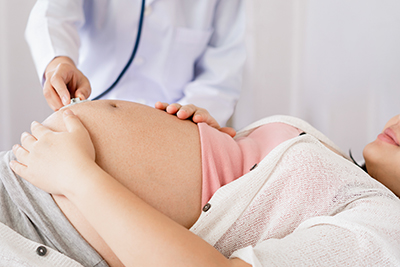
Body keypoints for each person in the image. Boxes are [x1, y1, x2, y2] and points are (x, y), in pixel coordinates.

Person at [3, 100, 400, 266]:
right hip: (29, 175)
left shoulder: (386, 227)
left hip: (41, 222)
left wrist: (79, 178)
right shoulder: (341, 165)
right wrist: (217, 137)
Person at [25, 0, 246, 126]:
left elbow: (224, 67)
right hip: (90, 115)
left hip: (181, 126)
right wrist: (58, 62)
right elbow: (51, 13)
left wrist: (185, 125)